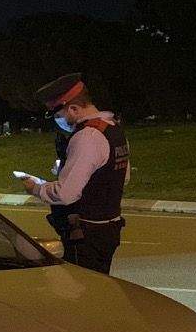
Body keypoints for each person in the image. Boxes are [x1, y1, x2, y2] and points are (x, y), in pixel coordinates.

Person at [28, 73, 130, 274]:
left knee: (83, 293)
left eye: (58, 115)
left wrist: (36, 188)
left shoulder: (87, 136)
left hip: (85, 234)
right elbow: (122, 177)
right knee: (99, 288)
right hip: (109, 228)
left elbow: (66, 194)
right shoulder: (113, 129)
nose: (59, 122)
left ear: (73, 108)